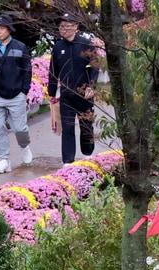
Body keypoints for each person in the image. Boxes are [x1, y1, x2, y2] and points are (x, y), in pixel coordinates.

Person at [0, 12, 34, 173]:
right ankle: (4, 160)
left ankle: (24, 146)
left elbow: (27, 70)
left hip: (16, 94)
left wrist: (24, 91)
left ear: (9, 30)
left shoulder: (20, 47)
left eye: (2, 28)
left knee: (20, 128)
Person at [48, 13, 102, 164]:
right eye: (62, 26)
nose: (64, 29)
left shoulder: (86, 44)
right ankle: (67, 162)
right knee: (67, 128)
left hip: (84, 95)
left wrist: (91, 86)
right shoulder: (58, 47)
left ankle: (88, 156)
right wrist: (51, 93)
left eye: (68, 26)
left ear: (76, 27)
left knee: (86, 126)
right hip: (66, 95)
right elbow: (53, 72)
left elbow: (95, 66)